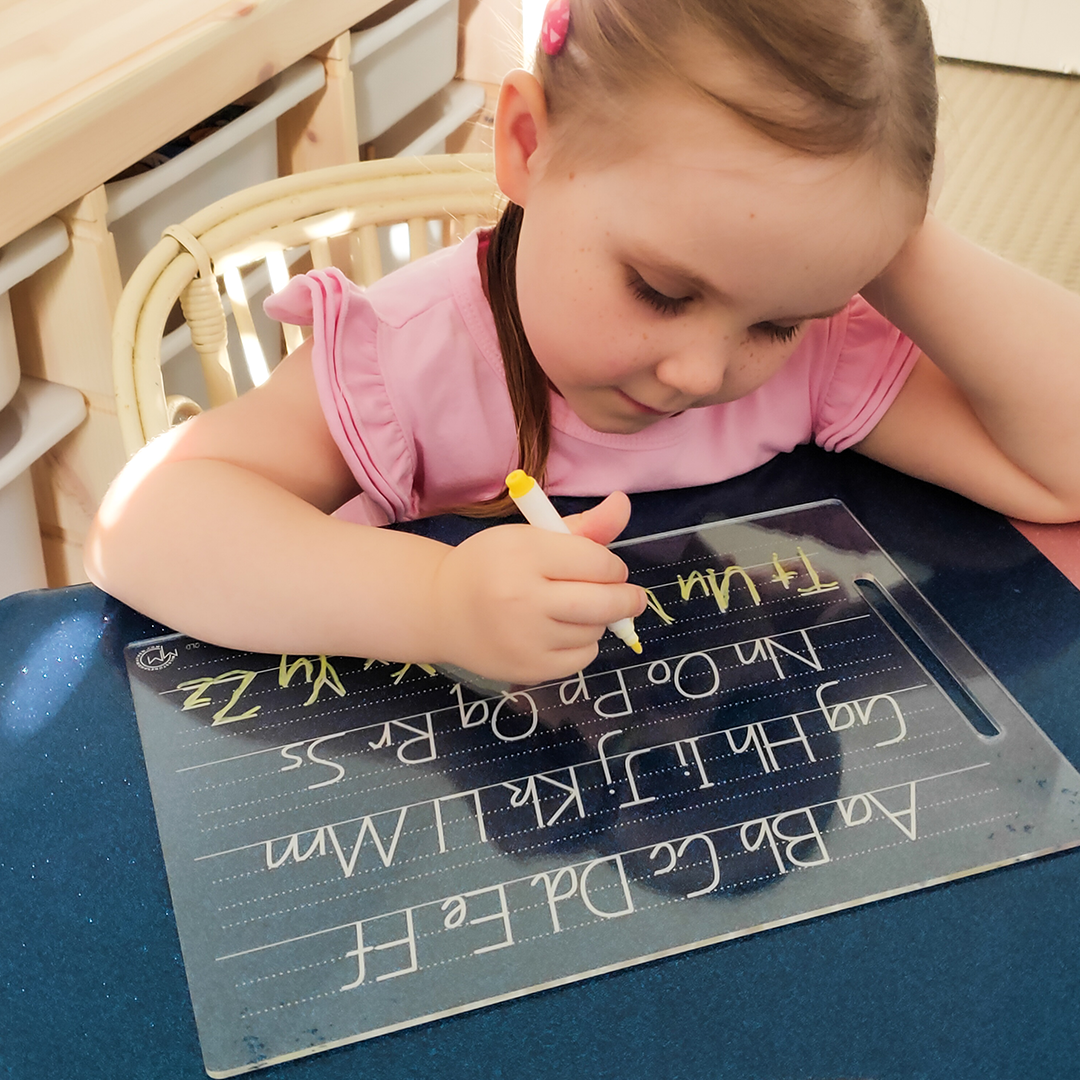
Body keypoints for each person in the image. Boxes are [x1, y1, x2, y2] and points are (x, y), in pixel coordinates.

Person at [85, 0, 1080, 686]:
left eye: (777, 317)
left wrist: (883, 241)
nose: (700, 373)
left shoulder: (818, 354)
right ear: (525, 144)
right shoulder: (416, 359)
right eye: (659, 289)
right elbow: (142, 525)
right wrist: (434, 601)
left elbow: (1062, 477)